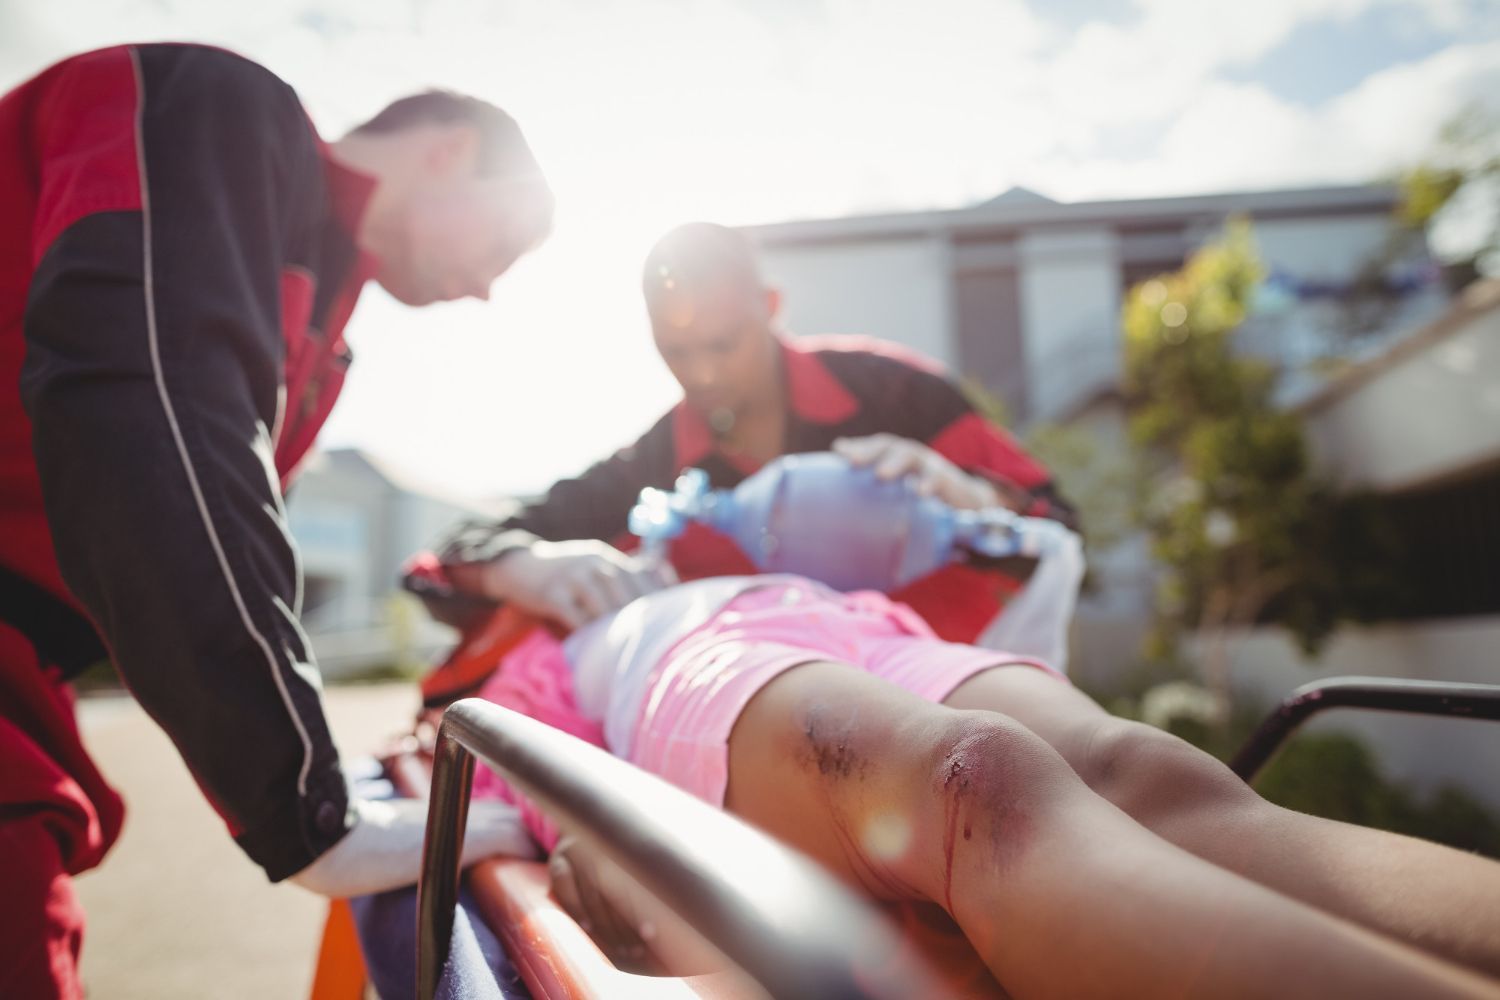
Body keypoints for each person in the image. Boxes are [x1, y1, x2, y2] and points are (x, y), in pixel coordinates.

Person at [0, 43, 550, 997]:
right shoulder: (215, 107)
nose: (486, 289)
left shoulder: (321, 320)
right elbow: (152, 413)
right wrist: (309, 804)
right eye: (500, 244)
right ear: (449, 150)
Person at [462, 571, 1500, 997]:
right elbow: (531, 784)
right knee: (977, 790)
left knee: (1142, 769)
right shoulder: (546, 647)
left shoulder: (749, 546)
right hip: (689, 666)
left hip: (854, 623)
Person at [432, 221, 1077, 644]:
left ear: (769, 308)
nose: (702, 373)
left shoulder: (899, 396)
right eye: (675, 349)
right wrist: (521, 569)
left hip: (962, 716)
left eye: (722, 343)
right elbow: (449, 560)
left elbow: (1061, 530)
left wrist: (965, 498)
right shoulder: (652, 468)